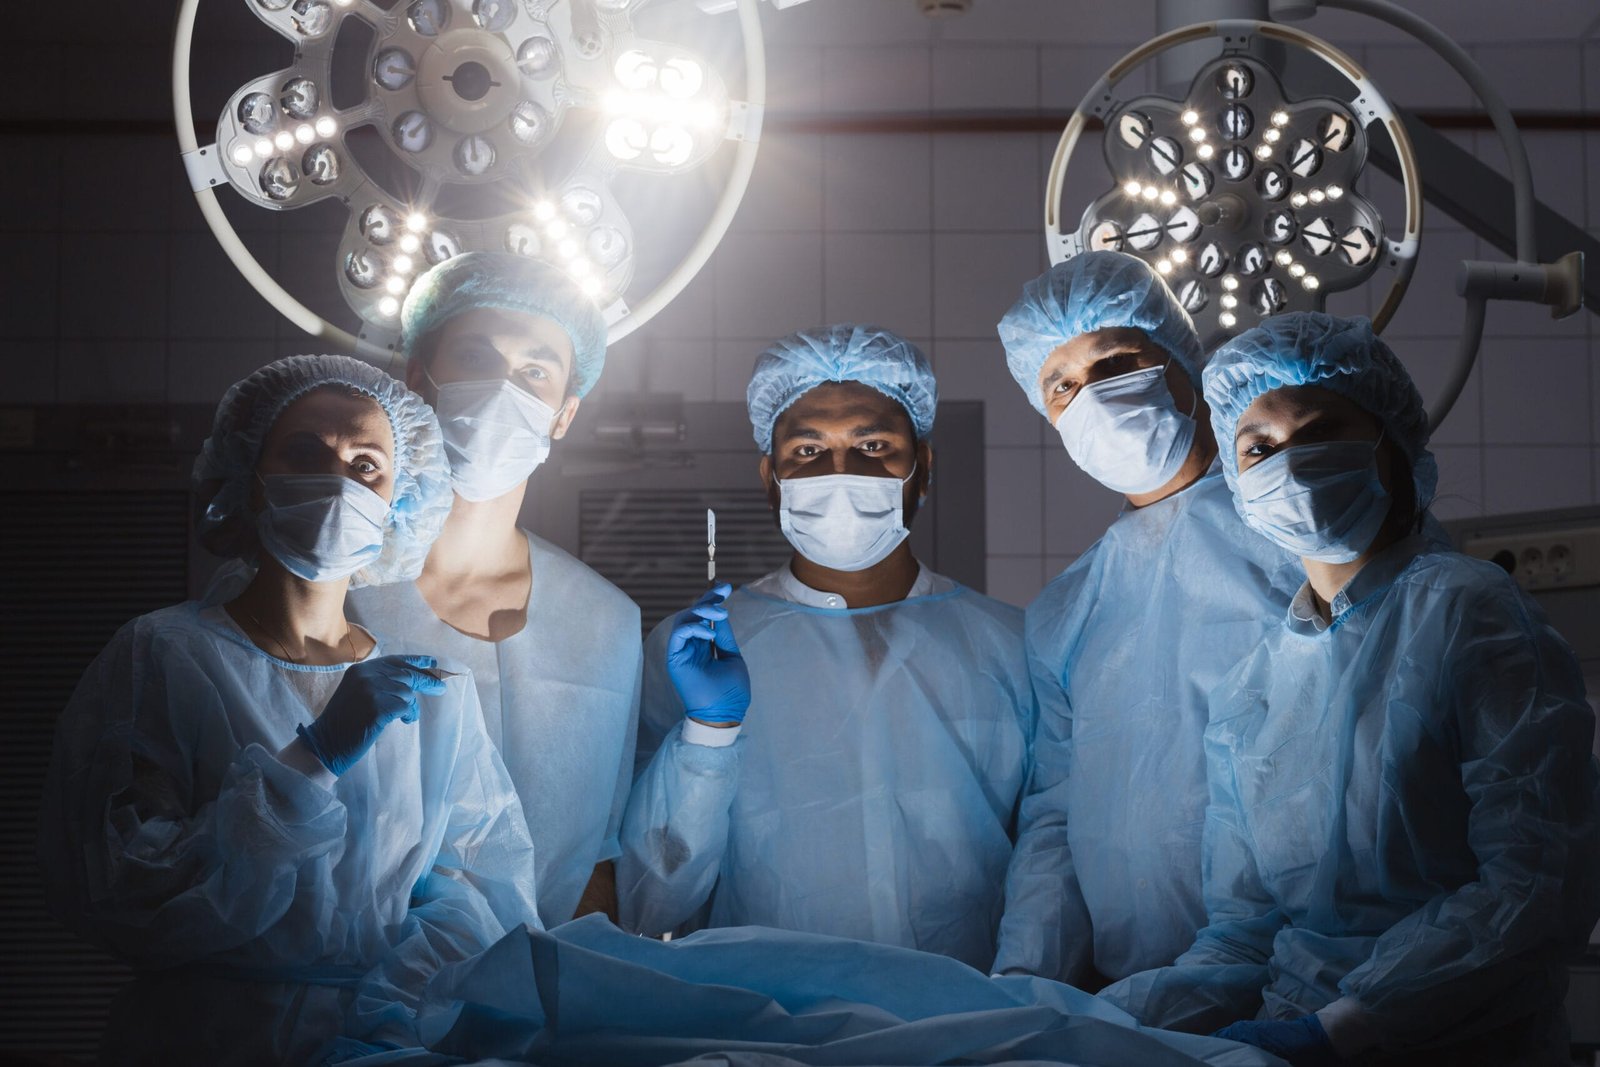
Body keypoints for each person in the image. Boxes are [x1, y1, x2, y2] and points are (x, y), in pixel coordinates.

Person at [1100, 313, 1600, 1065]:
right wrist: (1098, 1018)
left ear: (1392, 447)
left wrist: (1347, 1025)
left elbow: (1535, 879)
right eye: (1259, 447)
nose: (1291, 465)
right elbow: (1243, 935)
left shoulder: (1470, 613)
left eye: (1321, 430)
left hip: (1464, 1041)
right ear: (1239, 485)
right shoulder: (1253, 689)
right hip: (1287, 1036)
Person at [40, 355, 541, 1064]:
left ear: (400, 500)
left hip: (381, 1040)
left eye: (366, 465)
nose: (338, 483)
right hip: (200, 1041)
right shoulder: (165, 655)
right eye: (304, 453)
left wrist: (382, 1024)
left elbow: (477, 897)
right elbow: (124, 887)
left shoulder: (429, 693)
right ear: (249, 476)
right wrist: (312, 759)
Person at [616, 324, 1034, 969]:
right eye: (808, 451)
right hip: (766, 1010)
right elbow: (649, 902)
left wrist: (1024, 989)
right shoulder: (699, 651)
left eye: (874, 445)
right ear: (771, 479)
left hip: (972, 1007)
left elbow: (1050, 853)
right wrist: (706, 734)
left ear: (923, 469)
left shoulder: (1010, 645)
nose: (842, 472)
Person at [991, 251, 1301, 988]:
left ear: (1182, 361)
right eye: (1061, 384)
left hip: (1297, 980)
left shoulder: (1294, 534)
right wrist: (1026, 980)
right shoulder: (1067, 610)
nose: (1092, 396)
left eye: (1115, 362)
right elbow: (1056, 816)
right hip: (1131, 991)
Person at [347, 252, 642, 927]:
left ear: (564, 413)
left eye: (535, 371)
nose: (502, 389)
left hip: (545, 980)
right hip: (366, 981)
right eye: (476, 358)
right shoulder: (335, 586)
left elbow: (599, 857)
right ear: (418, 379)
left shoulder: (604, 621)